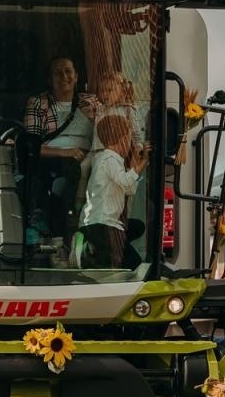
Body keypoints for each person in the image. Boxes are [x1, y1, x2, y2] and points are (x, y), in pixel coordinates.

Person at [22, 56, 96, 239]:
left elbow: (106, 131)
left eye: (68, 71)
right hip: (53, 161)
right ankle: (58, 233)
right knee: (61, 179)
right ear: (49, 79)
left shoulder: (91, 102)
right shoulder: (38, 102)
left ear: (76, 76)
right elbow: (31, 146)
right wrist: (65, 153)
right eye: (57, 73)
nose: (64, 77)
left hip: (89, 158)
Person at [78, 114, 145, 269]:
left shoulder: (107, 159)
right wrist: (143, 161)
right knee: (133, 264)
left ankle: (93, 245)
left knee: (138, 226)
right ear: (123, 139)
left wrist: (135, 162)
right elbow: (126, 181)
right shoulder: (109, 159)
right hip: (103, 224)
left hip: (102, 223)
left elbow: (129, 189)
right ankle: (89, 247)